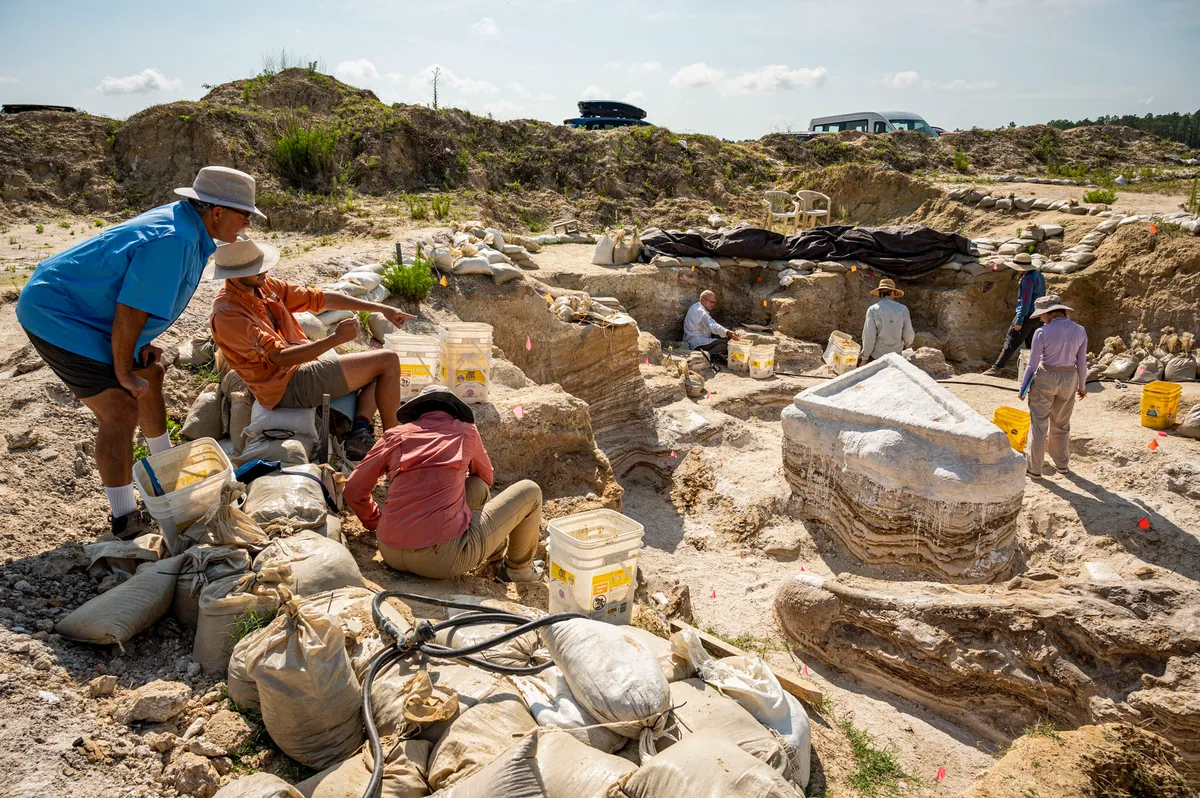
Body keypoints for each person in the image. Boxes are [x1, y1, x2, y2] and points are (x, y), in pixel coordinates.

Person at [16, 166, 260, 539]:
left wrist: (140, 345)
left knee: (152, 372)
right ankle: (124, 518)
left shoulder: (190, 230)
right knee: (121, 407)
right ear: (217, 212)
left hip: (89, 308)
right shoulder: (174, 239)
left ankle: (165, 468)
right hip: (58, 313)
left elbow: (141, 296)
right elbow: (130, 309)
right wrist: (122, 370)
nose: (246, 226)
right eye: (245, 216)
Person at [208, 239, 414, 460]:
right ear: (234, 274)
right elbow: (279, 358)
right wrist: (335, 339)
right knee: (388, 361)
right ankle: (395, 448)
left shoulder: (264, 286)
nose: (264, 271)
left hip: (303, 365)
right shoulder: (228, 314)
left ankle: (360, 431)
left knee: (377, 367)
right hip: (285, 384)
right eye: (255, 269)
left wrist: (382, 308)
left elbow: (320, 298)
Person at [344, 385, 544, 582]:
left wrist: (374, 521)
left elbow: (353, 489)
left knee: (477, 488)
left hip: (391, 552)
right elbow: (486, 477)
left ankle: (495, 556)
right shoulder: (467, 432)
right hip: (441, 560)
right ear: (455, 412)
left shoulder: (395, 435)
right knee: (530, 491)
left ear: (416, 413)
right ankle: (518, 570)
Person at [1019, 295, 1088, 478]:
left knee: (1039, 424)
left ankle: (1034, 468)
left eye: (1041, 315)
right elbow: (1082, 363)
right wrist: (1082, 385)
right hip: (1070, 378)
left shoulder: (1041, 332)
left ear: (1048, 314)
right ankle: (1062, 464)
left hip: (1045, 377)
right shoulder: (1080, 330)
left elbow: (1032, 364)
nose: (1040, 319)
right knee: (1062, 423)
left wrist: (1023, 386)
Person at [982, 253, 1046, 377]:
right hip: (1038, 315)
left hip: (1027, 315)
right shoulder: (1039, 275)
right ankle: (1036, 371)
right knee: (1033, 344)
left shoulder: (1027, 279)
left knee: (1011, 340)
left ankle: (997, 368)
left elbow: (1025, 300)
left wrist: (1019, 319)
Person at [860, 278, 914, 363]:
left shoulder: (873, 310)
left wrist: (865, 358)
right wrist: (906, 345)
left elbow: (869, 337)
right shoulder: (903, 309)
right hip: (897, 356)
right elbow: (909, 334)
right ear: (893, 293)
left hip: (877, 357)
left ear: (879, 294)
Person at [684, 290, 740, 363]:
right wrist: (728, 332)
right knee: (727, 345)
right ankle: (707, 357)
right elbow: (712, 325)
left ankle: (712, 354)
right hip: (696, 342)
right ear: (702, 300)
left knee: (721, 337)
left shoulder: (695, 306)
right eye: (711, 302)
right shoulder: (700, 311)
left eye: (714, 302)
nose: (713, 304)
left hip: (693, 339)